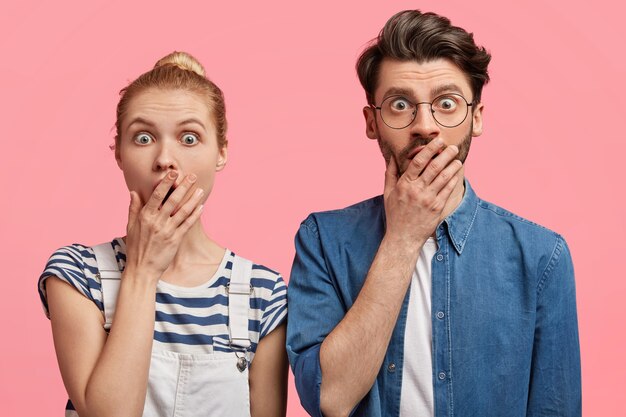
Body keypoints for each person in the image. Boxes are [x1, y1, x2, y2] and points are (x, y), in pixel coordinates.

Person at [286, 10, 581, 417]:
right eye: (400, 103)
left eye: (447, 103)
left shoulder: (542, 257)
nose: (424, 125)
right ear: (372, 122)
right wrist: (402, 238)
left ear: (476, 118)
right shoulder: (322, 240)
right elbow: (330, 400)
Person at [38, 51, 288, 417]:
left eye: (189, 138)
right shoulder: (77, 274)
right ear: (118, 154)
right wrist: (142, 271)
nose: (165, 159)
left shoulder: (261, 293)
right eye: (142, 138)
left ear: (221, 152)